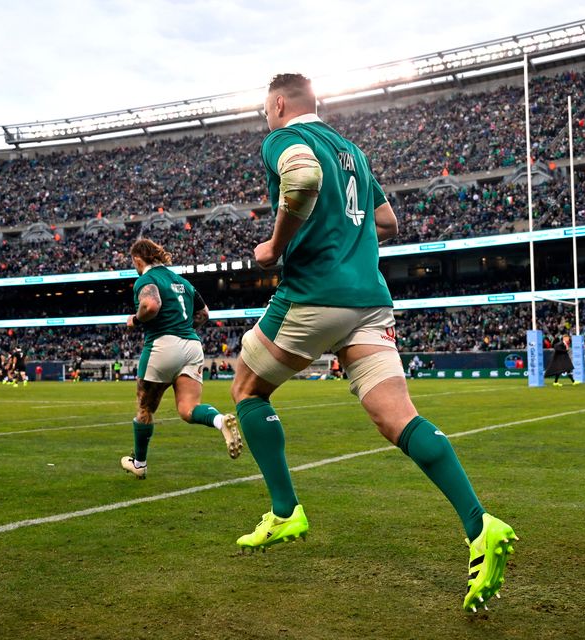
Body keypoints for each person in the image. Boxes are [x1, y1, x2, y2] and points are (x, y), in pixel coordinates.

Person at [229, 74, 515, 612]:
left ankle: (286, 511)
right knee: (397, 418)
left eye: (266, 109)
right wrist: (347, 233)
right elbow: (387, 221)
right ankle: (480, 525)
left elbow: (303, 179)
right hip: (370, 298)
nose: (266, 117)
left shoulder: (285, 139)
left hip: (314, 294)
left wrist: (274, 245)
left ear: (278, 103)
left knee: (247, 389)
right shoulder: (352, 151)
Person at [121, 238, 243, 479]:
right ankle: (220, 421)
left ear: (138, 258)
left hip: (162, 345)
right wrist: (184, 327)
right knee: (188, 409)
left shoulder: (146, 279)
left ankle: (140, 463)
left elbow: (151, 305)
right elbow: (204, 314)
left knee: (145, 408)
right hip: (192, 345)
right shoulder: (183, 282)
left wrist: (134, 320)